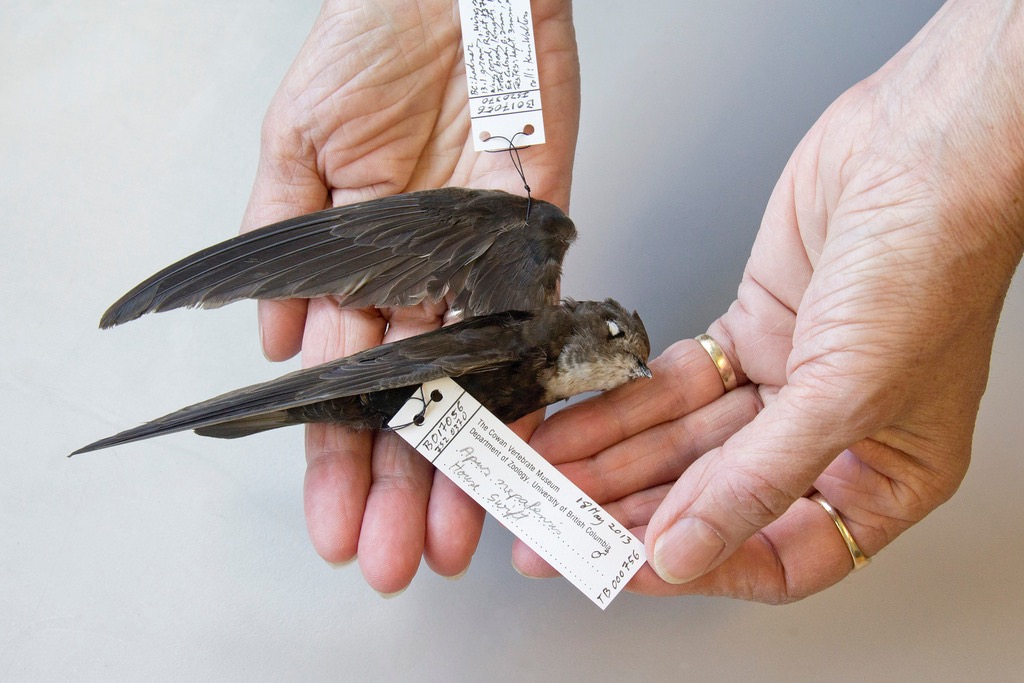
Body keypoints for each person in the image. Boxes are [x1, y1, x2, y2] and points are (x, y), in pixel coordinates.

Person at [241, 0, 1024, 600]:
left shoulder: (532, 277)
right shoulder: (529, 303)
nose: (629, 369)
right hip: (426, 361)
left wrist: (971, 138)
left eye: (629, 360)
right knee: (344, 383)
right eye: (623, 354)